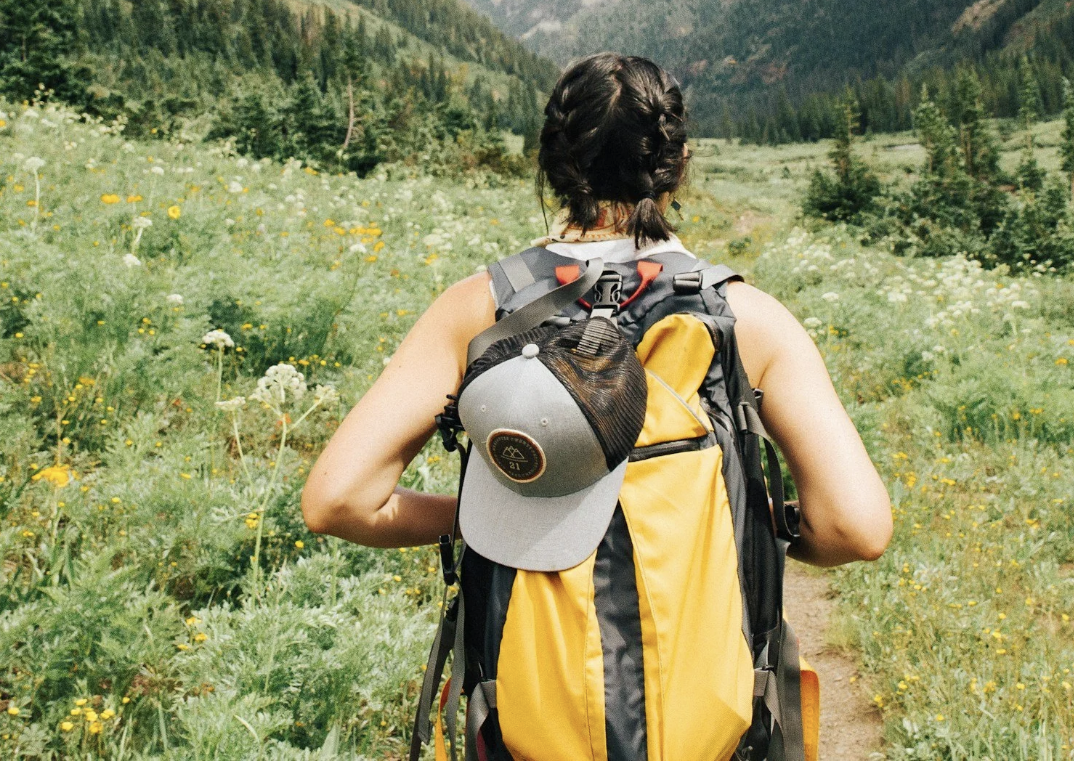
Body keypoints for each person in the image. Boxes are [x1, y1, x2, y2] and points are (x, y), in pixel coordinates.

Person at [302, 52, 892, 571]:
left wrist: (487, 520)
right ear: (679, 164)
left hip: (524, 691)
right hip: (707, 694)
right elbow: (855, 529)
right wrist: (740, 523)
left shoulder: (480, 307)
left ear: (553, 167)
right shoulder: (748, 317)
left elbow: (339, 501)